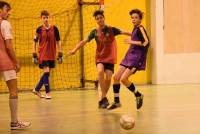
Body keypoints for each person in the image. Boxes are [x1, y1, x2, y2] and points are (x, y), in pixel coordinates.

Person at [68, 10, 131, 109]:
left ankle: (102, 99)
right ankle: (104, 97)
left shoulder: (111, 29)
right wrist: (74, 50)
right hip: (100, 58)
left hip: (110, 58)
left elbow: (124, 32)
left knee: (109, 78)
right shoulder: (94, 32)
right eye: (97, 18)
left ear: (103, 18)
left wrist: (136, 35)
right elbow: (84, 41)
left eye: (100, 17)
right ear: (96, 21)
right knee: (100, 71)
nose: (99, 20)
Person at [108, 9, 149, 110]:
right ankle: (117, 102)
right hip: (129, 56)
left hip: (136, 58)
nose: (133, 19)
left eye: (136, 18)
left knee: (123, 79)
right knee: (116, 77)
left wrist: (132, 42)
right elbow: (133, 36)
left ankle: (138, 95)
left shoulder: (140, 28)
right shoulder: (135, 28)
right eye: (132, 18)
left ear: (140, 19)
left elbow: (146, 42)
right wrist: (120, 32)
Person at [0, 1, 31, 129]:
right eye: (7, 9)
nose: (9, 12)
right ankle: (14, 122)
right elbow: (8, 45)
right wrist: (16, 61)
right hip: (4, 60)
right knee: (13, 90)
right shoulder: (5, 24)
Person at [32, 10, 63, 99]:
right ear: (41, 19)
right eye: (44, 18)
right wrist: (34, 54)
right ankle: (48, 93)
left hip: (52, 54)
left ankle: (36, 89)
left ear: (49, 18)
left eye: (47, 17)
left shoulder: (55, 28)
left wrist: (60, 53)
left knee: (47, 74)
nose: (45, 19)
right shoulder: (39, 30)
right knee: (46, 71)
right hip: (43, 54)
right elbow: (34, 42)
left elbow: (58, 41)